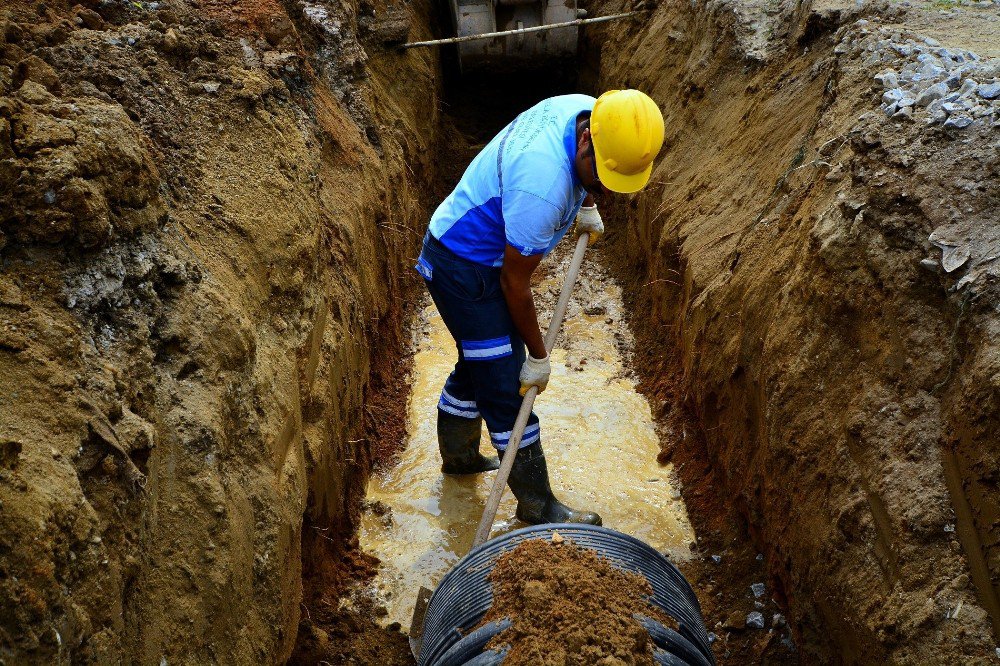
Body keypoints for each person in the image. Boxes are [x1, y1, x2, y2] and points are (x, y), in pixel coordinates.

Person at [414, 90, 665, 525]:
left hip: (475, 253)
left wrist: (587, 202)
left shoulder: (584, 111)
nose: (604, 188)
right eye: (599, 178)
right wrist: (538, 356)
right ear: (586, 140)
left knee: (481, 360)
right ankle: (537, 506)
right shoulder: (542, 189)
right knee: (504, 381)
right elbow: (515, 282)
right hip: (464, 267)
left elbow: (588, 172)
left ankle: (459, 459)